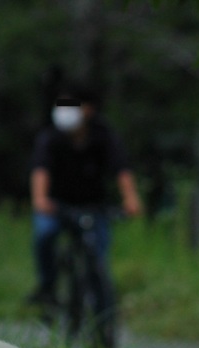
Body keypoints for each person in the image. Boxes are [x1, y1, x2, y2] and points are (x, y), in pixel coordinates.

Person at [27, 87, 142, 322]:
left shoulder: (103, 135)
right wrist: (40, 199)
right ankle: (47, 287)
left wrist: (130, 198)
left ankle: (102, 312)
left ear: (88, 109)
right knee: (44, 234)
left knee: (97, 253)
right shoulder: (51, 136)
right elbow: (41, 170)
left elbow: (121, 170)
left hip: (93, 206)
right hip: (56, 206)